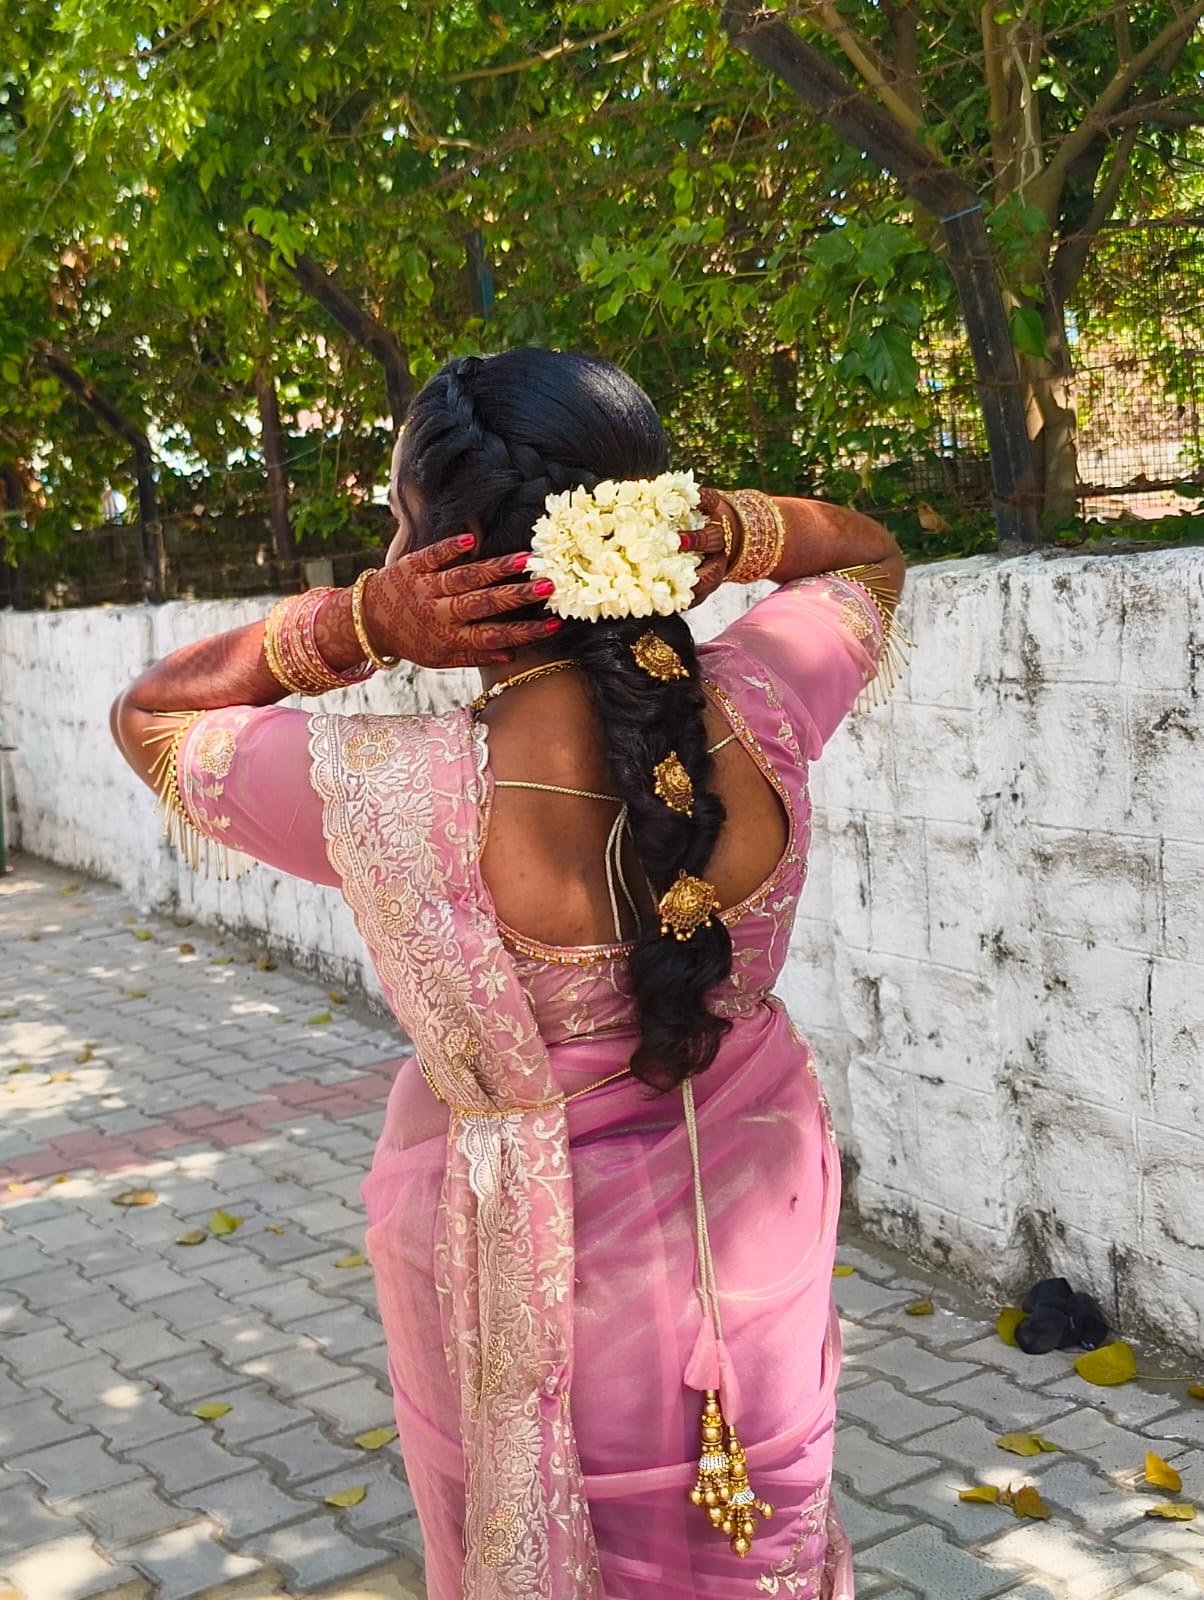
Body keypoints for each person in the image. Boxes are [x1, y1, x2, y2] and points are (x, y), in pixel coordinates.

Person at [111, 348, 905, 1600]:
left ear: (446, 561)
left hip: (513, 1295)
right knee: (766, 1541)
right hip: (751, 1251)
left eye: (394, 521)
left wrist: (359, 622)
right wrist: (744, 531)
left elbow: (152, 717)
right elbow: (867, 558)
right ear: (640, 523)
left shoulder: (391, 799)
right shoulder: (762, 701)